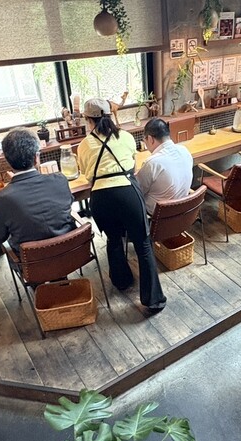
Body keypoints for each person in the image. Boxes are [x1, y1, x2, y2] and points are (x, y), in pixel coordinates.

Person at [77, 98, 167, 313]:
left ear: (88, 120)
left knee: (114, 238)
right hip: (127, 193)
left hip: (101, 197)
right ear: (110, 115)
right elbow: (132, 166)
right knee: (142, 244)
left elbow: (87, 175)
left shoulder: (83, 145)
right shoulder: (125, 136)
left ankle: (122, 281)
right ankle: (153, 300)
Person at [0, 128, 75, 253]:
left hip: (33, 261)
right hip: (72, 252)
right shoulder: (60, 180)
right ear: (36, 157)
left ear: (7, 161)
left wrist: (13, 186)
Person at [136, 118, 194, 215]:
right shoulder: (184, 150)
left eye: (144, 140)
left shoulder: (152, 163)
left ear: (150, 139)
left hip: (159, 216)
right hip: (183, 212)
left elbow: (138, 191)